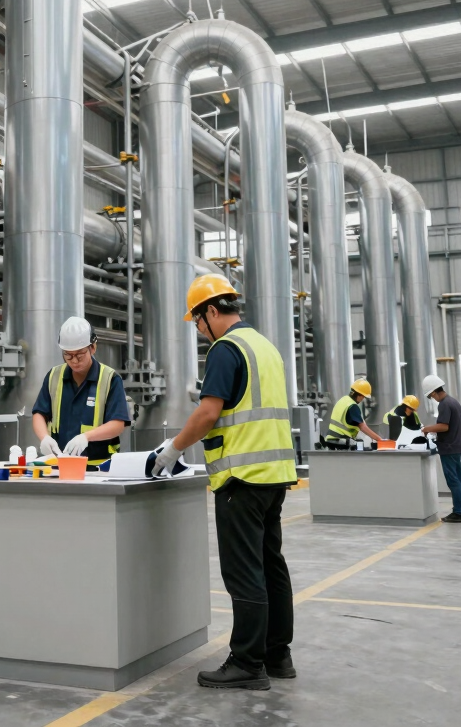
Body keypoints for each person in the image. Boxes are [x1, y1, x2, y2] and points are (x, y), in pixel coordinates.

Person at [152, 274, 297, 691]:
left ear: (212, 312)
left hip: (241, 477)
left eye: (198, 322)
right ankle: (277, 655)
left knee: (244, 571)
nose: (199, 331)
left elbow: (208, 413)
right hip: (273, 476)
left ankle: (248, 663)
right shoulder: (265, 346)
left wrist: (173, 449)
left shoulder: (226, 349)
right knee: (272, 567)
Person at [32, 316, 129, 466]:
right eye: (68, 355)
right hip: (61, 467)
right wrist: (44, 437)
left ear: (93, 347)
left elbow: (117, 424)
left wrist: (86, 437)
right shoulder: (54, 376)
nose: (74, 361)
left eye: (79, 355)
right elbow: (39, 413)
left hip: (99, 468)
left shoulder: (110, 379)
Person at [421, 374, 461, 523]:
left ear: (434, 392)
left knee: (453, 481)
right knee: (459, 480)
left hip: (449, 447)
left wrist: (426, 429)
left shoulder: (445, 404)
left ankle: (459, 513)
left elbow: (443, 426)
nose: (432, 399)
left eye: (431, 396)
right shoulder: (454, 402)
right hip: (457, 445)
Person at [324, 379, 382, 448]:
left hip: (330, 439)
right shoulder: (352, 406)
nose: (362, 399)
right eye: (363, 397)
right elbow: (363, 427)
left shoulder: (343, 400)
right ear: (360, 395)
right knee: (363, 448)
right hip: (341, 441)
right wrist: (380, 440)